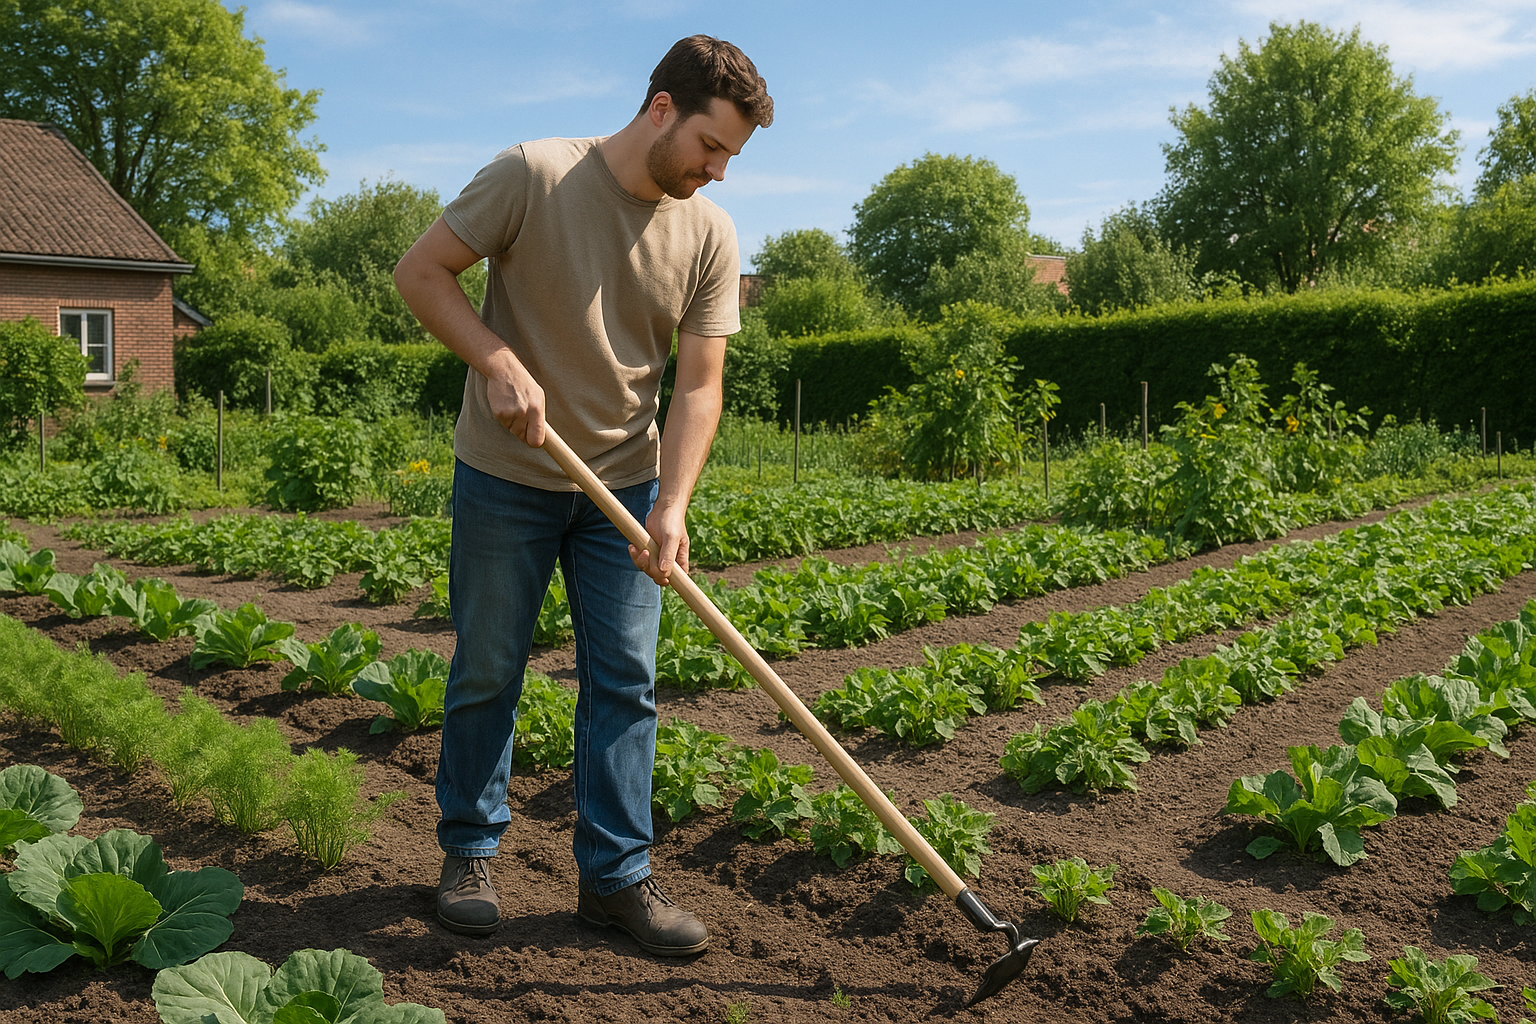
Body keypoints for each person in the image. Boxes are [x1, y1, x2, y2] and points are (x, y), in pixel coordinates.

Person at [393, 35, 772, 957]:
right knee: (489, 665)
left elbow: (697, 387)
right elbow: (420, 273)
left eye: (730, 157)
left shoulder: (709, 234)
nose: (718, 172)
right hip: (507, 476)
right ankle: (471, 852)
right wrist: (494, 360)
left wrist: (671, 505)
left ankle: (614, 880)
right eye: (710, 148)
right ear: (660, 108)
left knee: (626, 683)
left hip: (627, 488)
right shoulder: (533, 176)